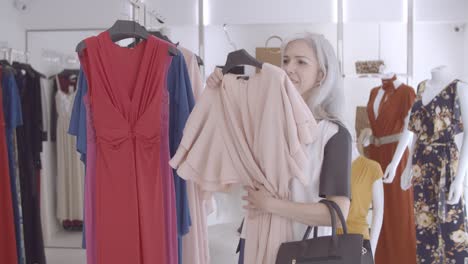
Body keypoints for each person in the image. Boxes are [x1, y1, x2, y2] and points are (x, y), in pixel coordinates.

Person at [206, 32, 353, 257]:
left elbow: (337, 212)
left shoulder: (333, 134)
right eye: (285, 60)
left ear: (321, 75)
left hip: (301, 248)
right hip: (255, 238)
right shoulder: (266, 120)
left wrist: (271, 205)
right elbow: (225, 131)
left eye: (301, 62)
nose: (288, 68)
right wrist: (219, 86)